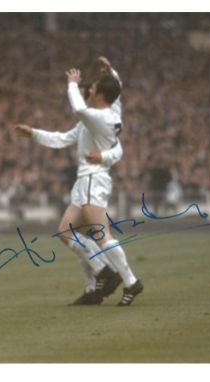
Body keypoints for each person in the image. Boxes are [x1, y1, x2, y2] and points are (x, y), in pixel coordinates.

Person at [16, 59, 143, 306]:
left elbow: (78, 108)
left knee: (101, 237)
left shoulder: (99, 118)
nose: (89, 90)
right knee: (67, 232)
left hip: (93, 180)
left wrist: (72, 85)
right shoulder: (107, 113)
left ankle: (128, 281)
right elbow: (63, 138)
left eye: (93, 88)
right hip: (86, 181)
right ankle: (101, 278)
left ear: (100, 95)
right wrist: (33, 133)